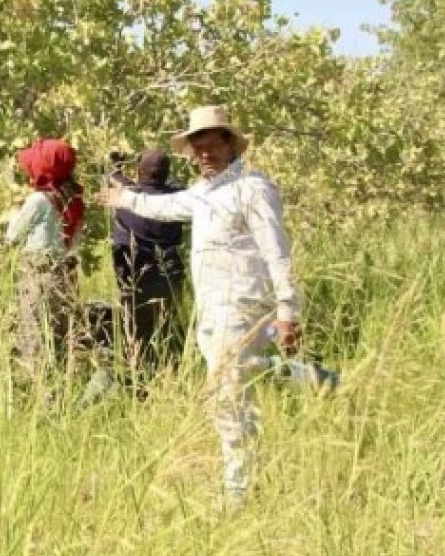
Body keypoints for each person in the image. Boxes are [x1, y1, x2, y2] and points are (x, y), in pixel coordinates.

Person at [99, 105, 301, 506]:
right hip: (212, 307)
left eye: (213, 145)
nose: (205, 153)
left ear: (230, 143)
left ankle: (238, 491)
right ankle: (296, 378)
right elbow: (165, 207)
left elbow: (277, 251)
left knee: (225, 396)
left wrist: (288, 309)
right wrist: (123, 197)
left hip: (241, 303)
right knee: (232, 389)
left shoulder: (252, 188)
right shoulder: (206, 192)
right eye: (199, 147)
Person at [5, 138, 86, 391]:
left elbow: (12, 236)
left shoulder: (38, 201)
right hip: (63, 273)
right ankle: (61, 391)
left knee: (35, 337)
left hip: (37, 272)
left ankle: (42, 396)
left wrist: (12, 214)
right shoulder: (73, 199)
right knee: (59, 338)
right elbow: (74, 241)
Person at [109, 149, 188, 382]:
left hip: (136, 271)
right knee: (167, 324)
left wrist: (117, 165)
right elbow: (176, 185)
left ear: (139, 172)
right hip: (168, 271)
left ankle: (136, 374)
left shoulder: (128, 199)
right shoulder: (177, 199)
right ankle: (170, 373)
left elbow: (116, 180)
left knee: (136, 326)